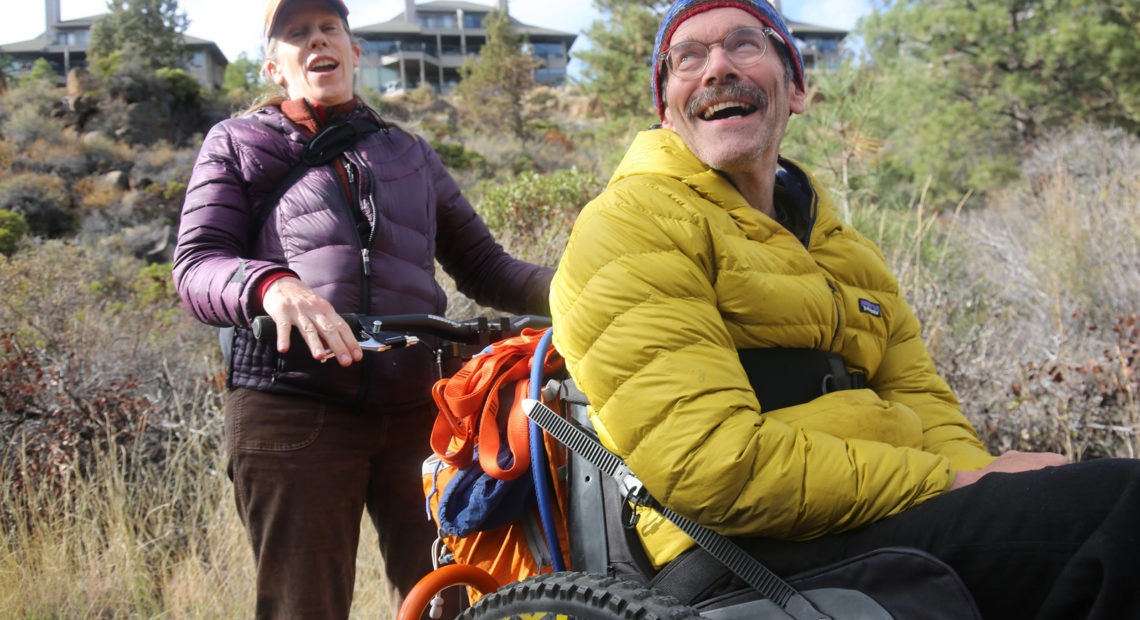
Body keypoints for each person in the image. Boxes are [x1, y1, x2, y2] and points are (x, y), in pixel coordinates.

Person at [549, 0, 1140, 617]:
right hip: (735, 551)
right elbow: (713, 467)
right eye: (687, 58)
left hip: (876, 512)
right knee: (1119, 510)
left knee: (1082, 505)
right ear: (667, 113)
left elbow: (926, 409)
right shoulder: (631, 225)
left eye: (745, 44)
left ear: (797, 90)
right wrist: (959, 485)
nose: (716, 67)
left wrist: (992, 475)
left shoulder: (846, 249)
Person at [172, 0, 553, 617]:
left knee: (445, 600)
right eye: (297, 34)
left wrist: (586, 289)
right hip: (292, 406)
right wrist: (272, 285)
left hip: (418, 413)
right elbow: (195, 266)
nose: (316, 40)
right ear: (275, 66)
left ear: (354, 52)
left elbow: (488, 269)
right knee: (306, 607)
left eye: (329, 29)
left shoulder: (409, 153)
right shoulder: (238, 142)